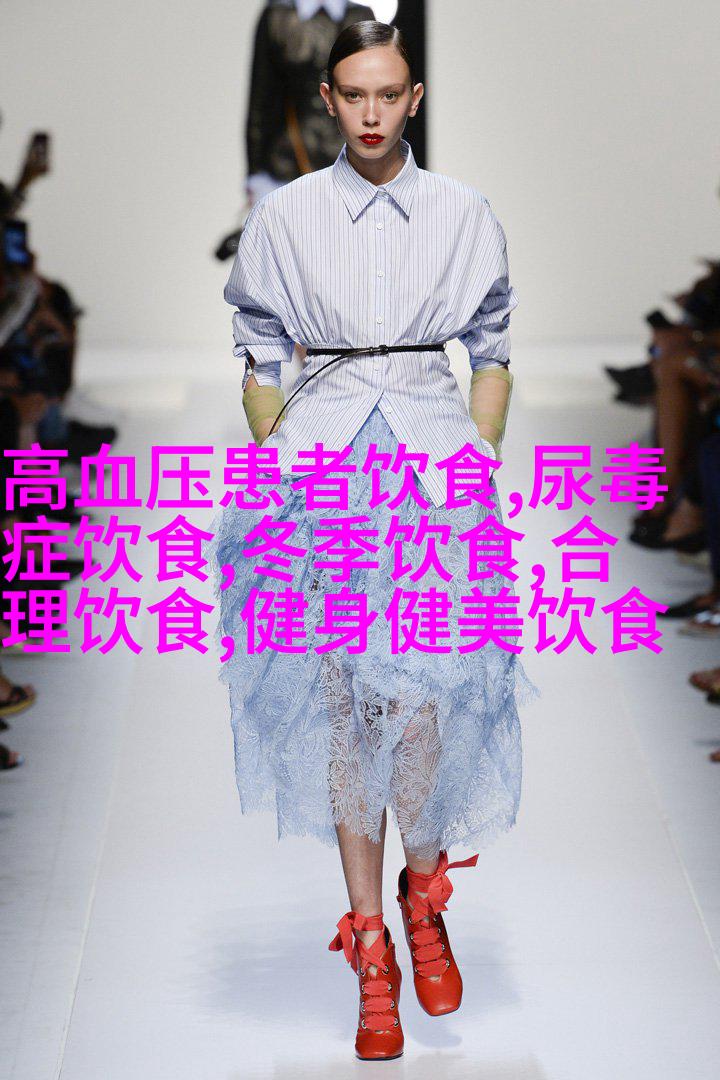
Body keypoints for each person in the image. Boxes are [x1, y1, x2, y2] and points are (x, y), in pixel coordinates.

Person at [213, 21, 538, 1061]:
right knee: (347, 707)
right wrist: (277, 455)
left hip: (434, 468)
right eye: (352, 94)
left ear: (414, 97)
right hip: (322, 474)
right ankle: (372, 950)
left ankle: (423, 893)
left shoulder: (463, 212)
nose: (368, 113)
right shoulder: (286, 216)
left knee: (431, 698)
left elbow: (492, 343)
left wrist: (480, 447)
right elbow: (258, 345)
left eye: (387, 94)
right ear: (326, 97)